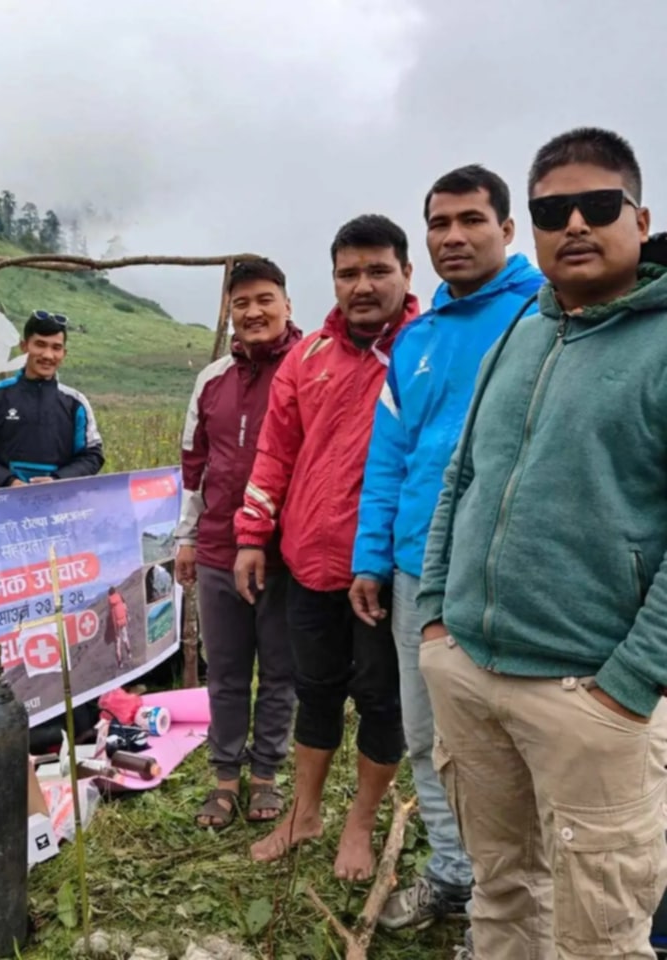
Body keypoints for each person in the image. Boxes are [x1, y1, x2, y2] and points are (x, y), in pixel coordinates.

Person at [418, 127, 667, 959]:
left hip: (588, 692)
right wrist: (436, 621)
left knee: (599, 935)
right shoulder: (520, 333)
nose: (576, 224)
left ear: (640, 218)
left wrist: (630, 684)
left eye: (598, 205)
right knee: (502, 890)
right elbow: (462, 478)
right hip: (470, 673)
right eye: (554, 212)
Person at [349, 166, 543, 933]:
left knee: (514, 741)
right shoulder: (418, 340)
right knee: (429, 734)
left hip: (509, 570)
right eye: (439, 223)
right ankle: (455, 876)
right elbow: (390, 457)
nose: (453, 237)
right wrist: (371, 556)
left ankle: (513, 904)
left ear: (507, 229)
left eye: (471, 220)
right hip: (413, 572)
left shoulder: (544, 314)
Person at [234, 216, 419, 879]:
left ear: (406, 273)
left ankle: (360, 825)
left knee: (382, 699)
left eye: (378, 270)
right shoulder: (307, 357)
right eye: (349, 273)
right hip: (310, 561)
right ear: (333, 280)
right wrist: (253, 536)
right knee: (314, 691)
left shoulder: (425, 350)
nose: (362, 285)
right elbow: (275, 453)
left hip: (391, 570)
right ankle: (304, 813)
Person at [174, 258, 302, 829]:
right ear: (229, 312)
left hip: (286, 555)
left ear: (287, 305)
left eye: (264, 299)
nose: (253, 312)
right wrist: (186, 537)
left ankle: (266, 774)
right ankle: (225, 777)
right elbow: (194, 466)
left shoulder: (308, 368)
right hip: (219, 549)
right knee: (224, 671)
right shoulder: (212, 380)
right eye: (241, 302)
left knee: (279, 670)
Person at [0, 310, 104, 488]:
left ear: (64, 353)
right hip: (0, 501)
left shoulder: (76, 403)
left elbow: (92, 455)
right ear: (24, 346)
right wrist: (8, 482)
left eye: (56, 348)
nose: (48, 355)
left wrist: (58, 480)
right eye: (40, 345)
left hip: (59, 501)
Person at [107, 586, 131, 667]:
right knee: (126, 638)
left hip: (116, 625)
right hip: (123, 622)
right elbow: (125, 608)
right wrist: (127, 616)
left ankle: (120, 663)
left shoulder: (110, 602)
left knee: (118, 644)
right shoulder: (120, 597)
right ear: (115, 591)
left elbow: (111, 615)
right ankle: (129, 653)